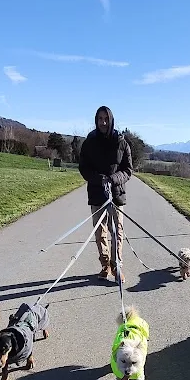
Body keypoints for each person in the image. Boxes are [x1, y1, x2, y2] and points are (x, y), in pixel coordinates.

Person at [78, 106, 133, 283]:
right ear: (96, 120)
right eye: (100, 119)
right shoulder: (89, 142)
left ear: (111, 120)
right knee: (100, 233)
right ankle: (105, 265)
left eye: (106, 119)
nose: (103, 122)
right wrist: (98, 179)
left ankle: (117, 267)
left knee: (116, 232)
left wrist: (113, 178)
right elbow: (84, 168)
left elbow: (128, 170)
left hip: (116, 195)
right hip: (96, 194)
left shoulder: (122, 142)